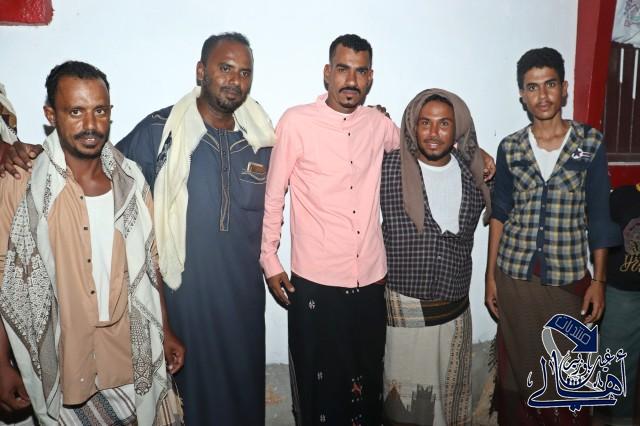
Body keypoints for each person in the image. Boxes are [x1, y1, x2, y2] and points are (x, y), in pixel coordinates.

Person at [1, 32, 275, 424]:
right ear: (201, 71)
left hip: (239, 303)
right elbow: (85, 162)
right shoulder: (159, 133)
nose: (235, 79)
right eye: (225, 68)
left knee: (243, 397)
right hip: (181, 305)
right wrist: (11, 149)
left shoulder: (262, 138)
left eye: (244, 72)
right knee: (189, 404)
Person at [0, 61, 184, 425]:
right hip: (62, 361)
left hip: (131, 356)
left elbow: (151, 262)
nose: (90, 125)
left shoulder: (132, 181)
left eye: (99, 111)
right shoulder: (21, 184)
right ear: (50, 115)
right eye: (75, 112)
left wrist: (165, 330)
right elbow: (4, 275)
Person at [261, 33, 397, 426]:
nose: (351, 80)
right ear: (327, 72)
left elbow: (421, 144)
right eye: (343, 69)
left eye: (360, 71)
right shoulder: (297, 122)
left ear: (370, 77)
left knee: (367, 386)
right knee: (319, 389)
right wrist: (269, 259)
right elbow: (274, 194)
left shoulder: (379, 125)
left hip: (370, 279)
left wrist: (471, 152)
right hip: (316, 283)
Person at [485, 47, 621, 425]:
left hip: (566, 282)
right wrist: (490, 277)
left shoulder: (588, 144)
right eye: (532, 87)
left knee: (568, 381)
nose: (542, 96)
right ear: (522, 94)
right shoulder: (511, 147)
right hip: (514, 279)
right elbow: (499, 214)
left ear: (564, 88)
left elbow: (600, 216)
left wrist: (599, 281)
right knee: (521, 380)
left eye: (550, 85)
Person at [381, 89, 491, 426]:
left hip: (455, 317)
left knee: (449, 404)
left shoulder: (475, 172)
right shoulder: (389, 166)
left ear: (457, 128)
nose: (433, 132)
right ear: (413, 126)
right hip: (404, 316)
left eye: (444, 124)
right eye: (425, 122)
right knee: (405, 407)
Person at [595, 184, 640, 426]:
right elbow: (599, 237)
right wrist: (597, 282)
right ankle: (610, 418)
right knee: (613, 365)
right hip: (621, 295)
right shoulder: (622, 197)